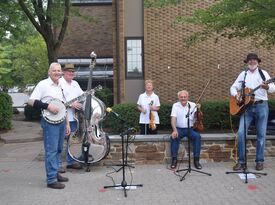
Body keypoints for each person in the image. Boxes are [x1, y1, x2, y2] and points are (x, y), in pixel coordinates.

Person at [28, 62, 70, 189]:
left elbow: (64, 106)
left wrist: (67, 123)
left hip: (61, 121)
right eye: (54, 71)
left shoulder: (60, 85)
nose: (57, 73)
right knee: (51, 150)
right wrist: (47, 106)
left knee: (58, 149)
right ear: (49, 72)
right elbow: (31, 101)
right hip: (50, 122)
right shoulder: (43, 84)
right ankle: (51, 179)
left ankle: (55, 173)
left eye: (59, 70)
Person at [230, 53, 275, 171]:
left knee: (261, 135)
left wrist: (266, 87)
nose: (252, 62)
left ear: (258, 62)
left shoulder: (263, 73)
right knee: (241, 133)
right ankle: (241, 162)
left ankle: (259, 161)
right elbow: (233, 87)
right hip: (246, 108)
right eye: (250, 60)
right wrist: (237, 95)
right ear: (247, 62)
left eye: (254, 60)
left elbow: (273, 88)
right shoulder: (243, 74)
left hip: (261, 106)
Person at [59, 63, 84, 171]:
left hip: (73, 118)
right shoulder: (59, 82)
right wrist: (71, 104)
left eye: (72, 71)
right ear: (64, 72)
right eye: (68, 71)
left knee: (71, 142)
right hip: (61, 117)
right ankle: (58, 165)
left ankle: (70, 162)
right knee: (60, 142)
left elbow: (82, 96)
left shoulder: (75, 83)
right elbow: (57, 99)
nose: (71, 73)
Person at [170, 90, 202, 169]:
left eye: (185, 97)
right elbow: (173, 118)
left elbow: (197, 117)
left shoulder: (193, 105)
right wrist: (174, 130)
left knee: (197, 137)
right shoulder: (175, 105)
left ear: (188, 97)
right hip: (179, 129)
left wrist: (198, 112)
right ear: (178, 98)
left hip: (190, 129)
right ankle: (174, 159)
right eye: (181, 97)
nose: (183, 98)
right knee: (173, 137)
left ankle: (196, 160)